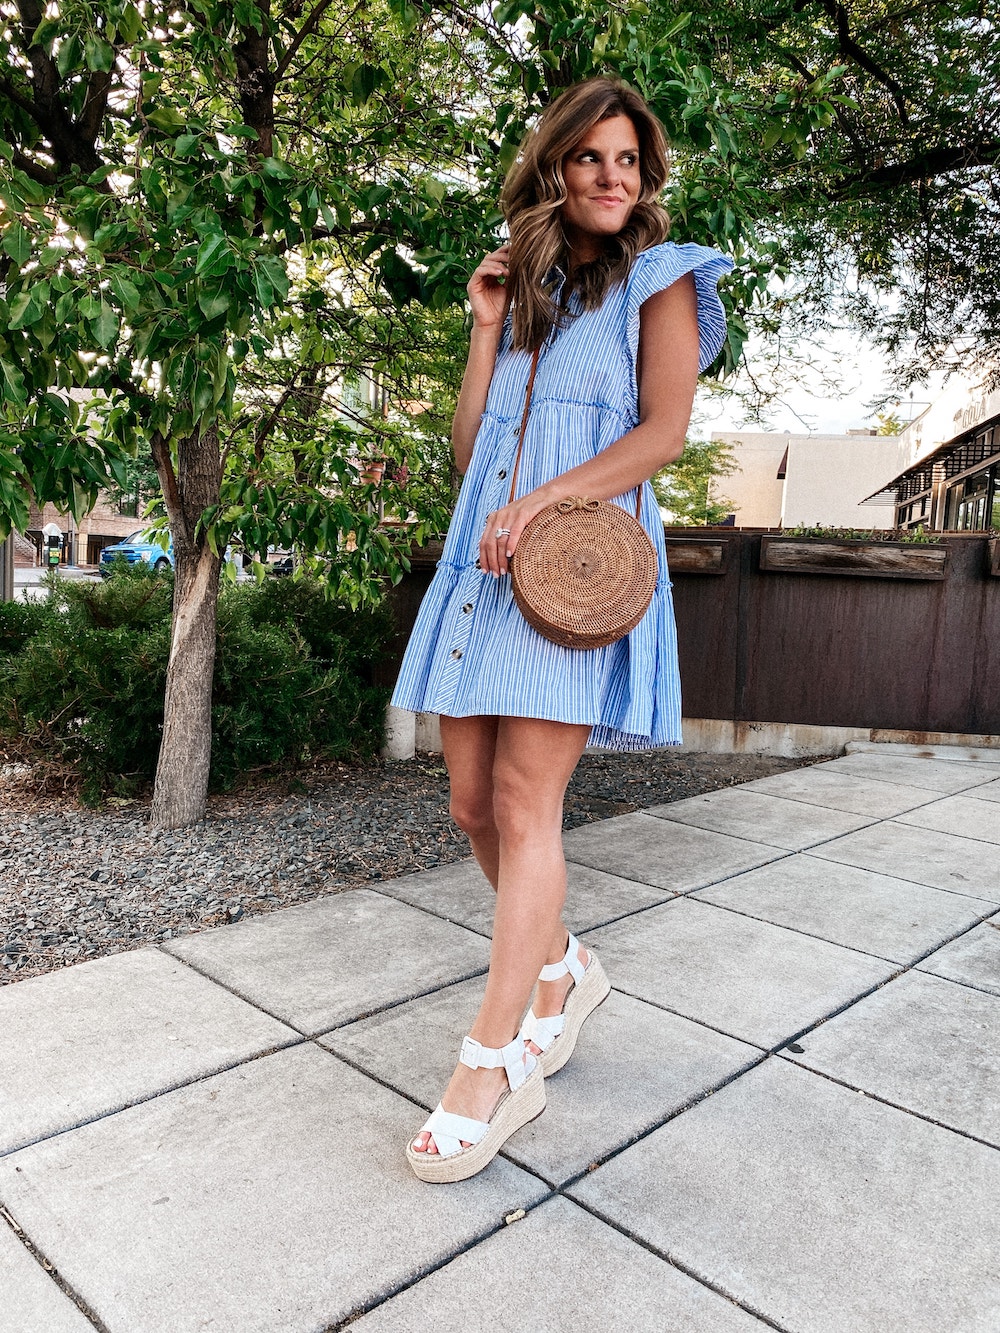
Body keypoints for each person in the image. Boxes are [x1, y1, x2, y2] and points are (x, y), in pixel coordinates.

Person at [392, 78, 733, 1182]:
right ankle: (562, 965)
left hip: (572, 570)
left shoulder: (662, 280)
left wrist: (543, 500)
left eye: (628, 160)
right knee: (468, 803)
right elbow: (468, 449)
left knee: (528, 805)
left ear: (646, 176)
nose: (611, 177)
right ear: (553, 167)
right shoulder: (526, 284)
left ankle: (491, 1064)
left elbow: (664, 432)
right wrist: (485, 327)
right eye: (589, 158)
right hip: (482, 568)